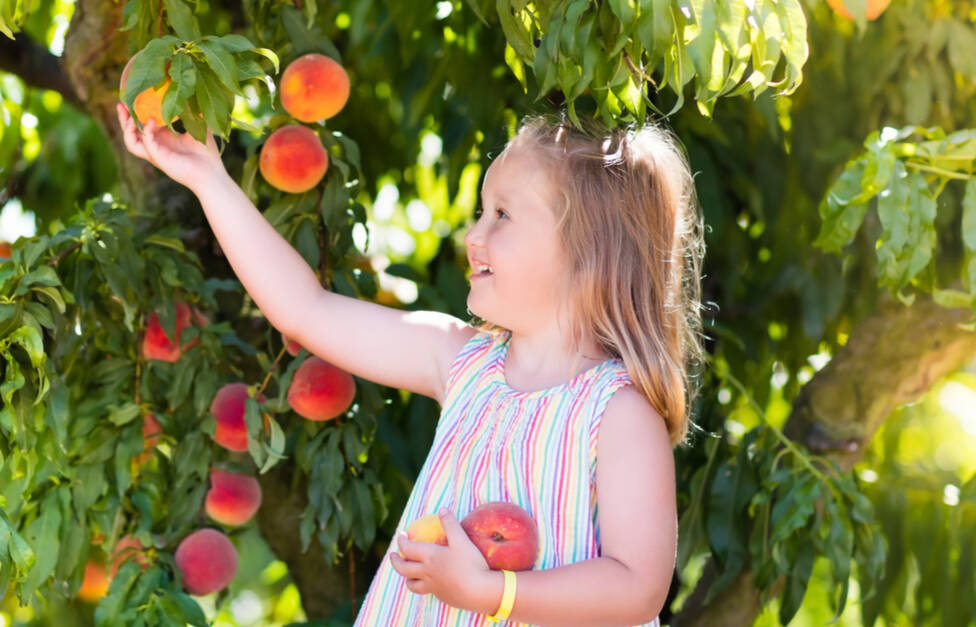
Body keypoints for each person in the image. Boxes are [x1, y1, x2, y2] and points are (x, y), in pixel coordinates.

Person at [117, 104, 705, 626]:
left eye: (502, 215)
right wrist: (208, 178)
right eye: (481, 212)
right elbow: (304, 309)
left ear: (588, 253)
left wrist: (492, 593)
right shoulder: (459, 361)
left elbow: (637, 588)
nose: (473, 235)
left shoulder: (618, 414)